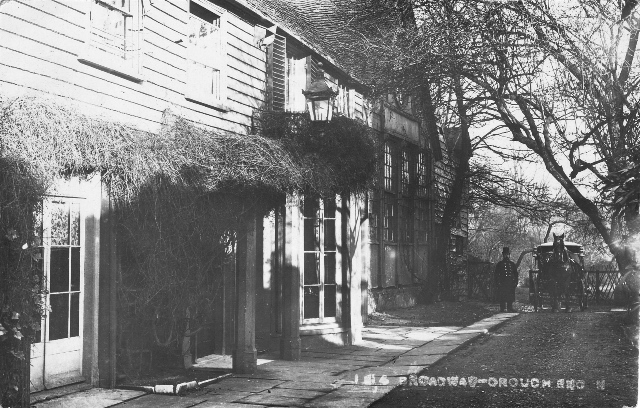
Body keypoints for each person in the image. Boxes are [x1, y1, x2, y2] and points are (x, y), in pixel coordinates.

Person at [495, 247, 518, 312]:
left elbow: (515, 274)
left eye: (507, 254)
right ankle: (502, 308)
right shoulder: (499, 264)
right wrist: (497, 282)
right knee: (502, 295)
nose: (506, 255)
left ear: (509, 255)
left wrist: (515, 282)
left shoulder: (512, 264)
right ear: (503, 255)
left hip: (510, 282)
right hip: (503, 282)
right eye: (505, 254)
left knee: (510, 295)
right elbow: (496, 274)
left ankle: (509, 308)